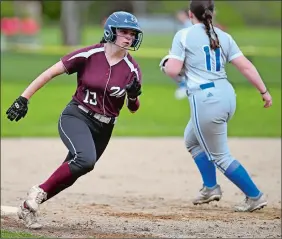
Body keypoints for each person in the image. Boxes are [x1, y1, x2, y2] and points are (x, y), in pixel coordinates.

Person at [6, 11, 143, 229]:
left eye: (133, 33)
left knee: (76, 170)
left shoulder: (132, 68)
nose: (129, 37)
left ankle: (27, 207)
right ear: (111, 32)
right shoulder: (90, 55)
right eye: (124, 32)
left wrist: (134, 95)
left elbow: (133, 108)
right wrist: (24, 98)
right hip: (77, 115)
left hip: (104, 127)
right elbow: (49, 73)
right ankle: (37, 193)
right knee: (85, 160)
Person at [160, 0, 272, 212]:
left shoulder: (183, 35)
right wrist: (264, 92)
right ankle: (210, 188)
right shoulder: (223, 35)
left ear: (190, 14)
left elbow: (173, 70)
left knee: (220, 156)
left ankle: (255, 196)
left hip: (206, 98)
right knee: (192, 140)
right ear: (212, 12)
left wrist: (165, 63)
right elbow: (246, 66)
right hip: (226, 94)